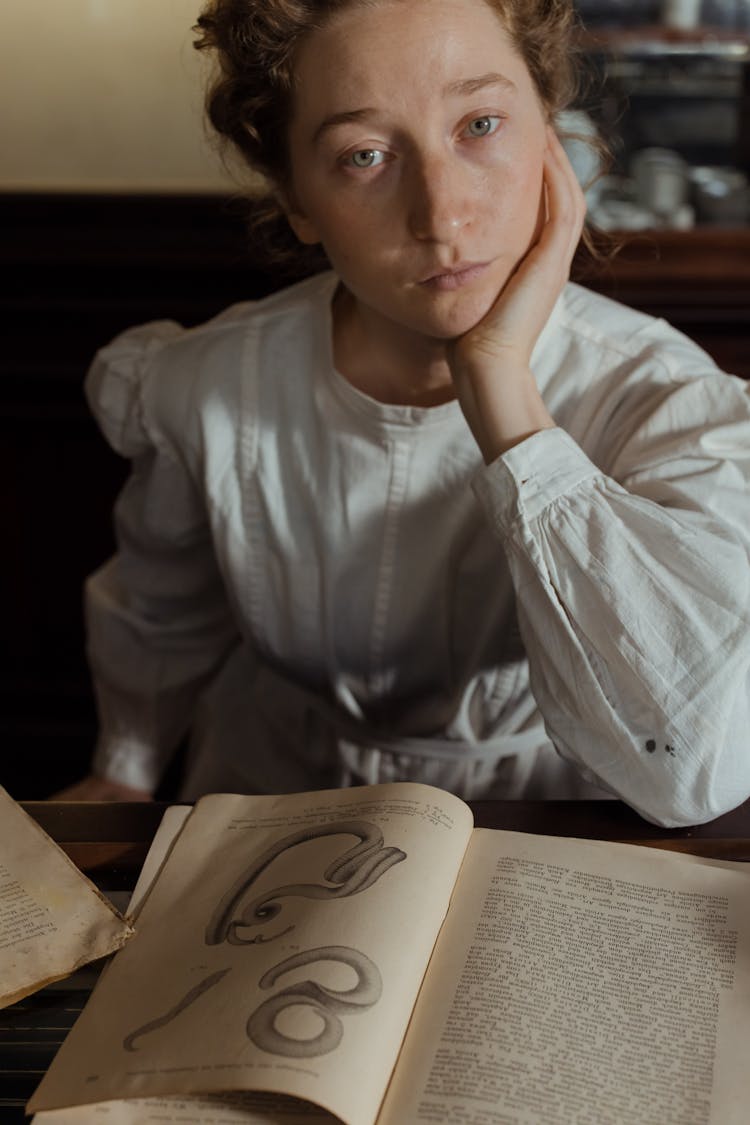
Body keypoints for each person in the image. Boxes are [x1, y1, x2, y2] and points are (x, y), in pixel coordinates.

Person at [57, 0, 750, 826]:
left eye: (482, 123)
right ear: (297, 200)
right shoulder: (203, 382)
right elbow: (161, 605)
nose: (442, 214)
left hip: (547, 820)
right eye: (364, 155)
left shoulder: (665, 399)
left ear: (551, 135)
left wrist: (501, 392)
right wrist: (124, 769)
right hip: (271, 792)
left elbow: (695, 763)